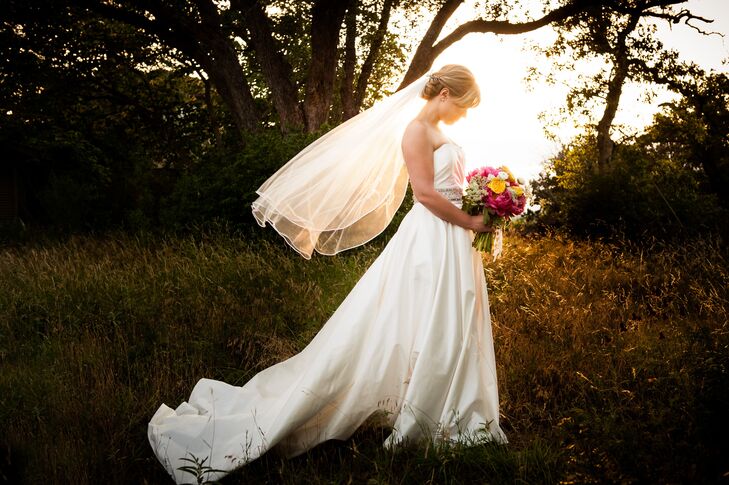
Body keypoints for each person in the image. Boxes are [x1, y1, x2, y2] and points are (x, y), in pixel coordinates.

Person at [148, 64, 507, 483]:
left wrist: (488, 205)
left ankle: (448, 405)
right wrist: (472, 222)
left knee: (451, 319)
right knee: (422, 318)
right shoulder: (415, 131)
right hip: (431, 238)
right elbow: (425, 194)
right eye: (462, 106)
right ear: (445, 94)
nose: (462, 115)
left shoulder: (441, 133)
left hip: (453, 237)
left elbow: (450, 187)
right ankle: (420, 410)